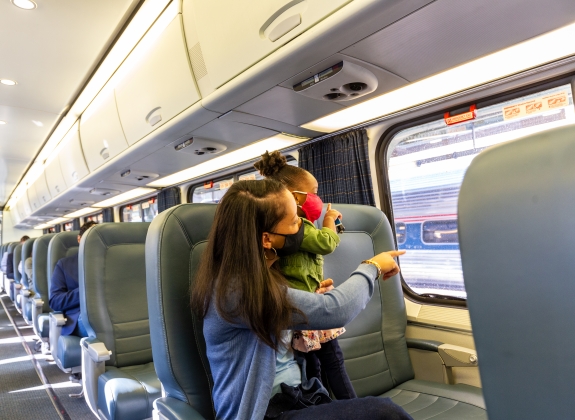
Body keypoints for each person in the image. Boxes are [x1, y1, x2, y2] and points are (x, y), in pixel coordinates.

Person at [191, 179, 410, 420]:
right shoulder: (236, 290)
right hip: (261, 412)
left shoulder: (263, 277)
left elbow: (284, 312)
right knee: (384, 413)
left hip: (296, 397)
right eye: (295, 222)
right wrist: (372, 266)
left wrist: (309, 299)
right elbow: (335, 311)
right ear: (266, 239)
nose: (301, 229)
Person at [254, 151, 354, 400]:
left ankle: (323, 402)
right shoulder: (297, 228)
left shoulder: (295, 226)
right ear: (293, 197)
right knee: (331, 361)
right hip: (306, 308)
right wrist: (329, 220)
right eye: (314, 192)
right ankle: (347, 403)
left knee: (314, 363)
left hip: (308, 300)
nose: (318, 199)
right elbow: (327, 243)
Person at [49, 222, 96, 338]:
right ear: (79, 239)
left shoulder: (109, 263)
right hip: (79, 317)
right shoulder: (64, 265)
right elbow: (55, 301)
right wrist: (85, 292)